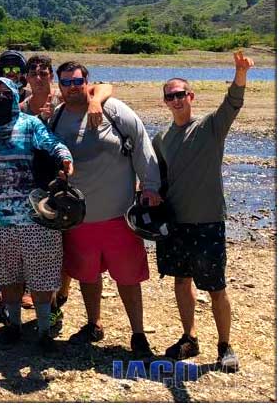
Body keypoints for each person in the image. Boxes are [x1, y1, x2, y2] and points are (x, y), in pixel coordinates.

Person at [50, 61, 161, 360]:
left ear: (87, 81)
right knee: (87, 276)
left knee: (128, 278)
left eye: (78, 81)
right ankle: (93, 324)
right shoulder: (56, 118)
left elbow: (141, 144)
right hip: (78, 218)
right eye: (66, 82)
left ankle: (138, 334)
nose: (73, 87)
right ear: (58, 85)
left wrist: (150, 185)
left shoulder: (114, 110)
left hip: (118, 216)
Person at [152, 51, 253, 372]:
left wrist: (240, 74)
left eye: (181, 94)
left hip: (208, 221)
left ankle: (225, 346)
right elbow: (157, 178)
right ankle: (189, 338)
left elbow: (232, 104)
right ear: (165, 102)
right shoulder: (161, 138)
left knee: (216, 286)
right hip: (175, 224)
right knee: (181, 282)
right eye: (171, 96)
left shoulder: (210, 127)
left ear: (190, 96)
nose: (176, 100)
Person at [0, 77, 73, 348]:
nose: (0, 98)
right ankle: (14, 325)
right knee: (7, 276)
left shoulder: (31, 124)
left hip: (35, 217)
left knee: (42, 277)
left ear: (15, 95)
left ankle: (44, 331)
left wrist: (65, 160)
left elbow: (54, 144)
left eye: (5, 93)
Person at [21, 54, 114, 331]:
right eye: (33, 72)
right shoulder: (21, 107)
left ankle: (61, 298)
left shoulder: (63, 102)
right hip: (33, 186)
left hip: (62, 188)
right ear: (27, 78)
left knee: (64, 249)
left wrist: (96, 100)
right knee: (43, 251)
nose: (39, 77)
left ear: (52, 78)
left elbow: (103, 86)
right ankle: (49, 305)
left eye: (44, 72)